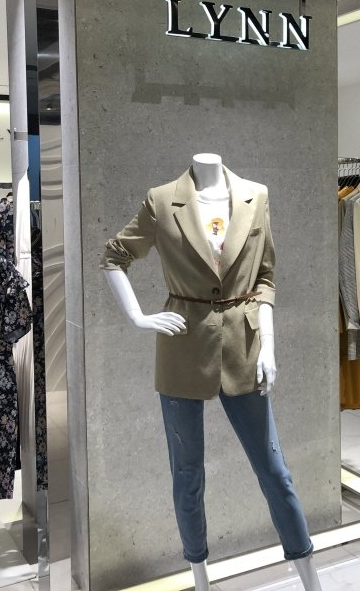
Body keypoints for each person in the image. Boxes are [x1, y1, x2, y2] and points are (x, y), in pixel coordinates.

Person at [100, 153, 322, 591]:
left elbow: (265, 278)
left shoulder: (255, 195)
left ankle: (311, 581)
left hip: (245, 347)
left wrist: (269, 344)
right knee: (187, 475)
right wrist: (138, 317)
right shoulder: (162, 200)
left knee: (275, 472)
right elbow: (114, 256)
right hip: (181, 348)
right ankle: (201, 580)